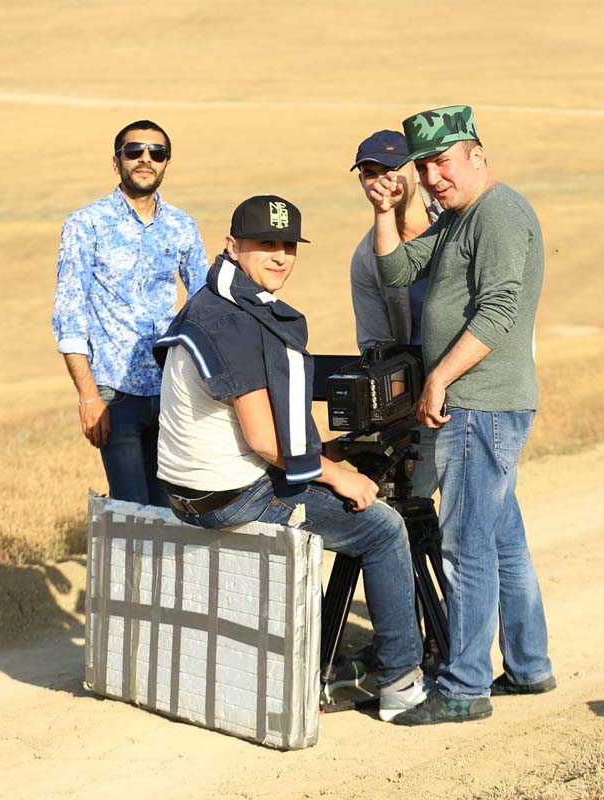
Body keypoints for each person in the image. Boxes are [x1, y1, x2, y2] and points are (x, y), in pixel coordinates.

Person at [152, 195, 426, 721]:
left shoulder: (210, 301)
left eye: (288, 245)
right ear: (232, 245)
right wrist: (337, 474)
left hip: (188, 491)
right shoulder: (234, 321)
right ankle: (401, 684)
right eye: (265, 244)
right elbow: (262, 440)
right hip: (232, 497)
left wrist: (324, 455)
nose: (279, 256)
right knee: (383, 528)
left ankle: (323, 656)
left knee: (330, 482)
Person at [369, 105, 555, 725]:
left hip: (480, 404)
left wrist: (440, 379)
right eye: (423, 167)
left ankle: (463, 687)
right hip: (487, 403)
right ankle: (529, 665)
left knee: (466, 546)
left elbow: (499, 311)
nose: (432, 178)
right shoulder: (456, 219)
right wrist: (386, 210)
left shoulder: (498, 213)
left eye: (442, 163)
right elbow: (396, 269)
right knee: (502, 538)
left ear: (478, 154)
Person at [52, 120, 207, 506]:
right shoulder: (86, 223)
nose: (145, 159)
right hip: (114, 393)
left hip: (172, 388)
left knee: (172, 508)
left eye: (157, 153)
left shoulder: (181, 225)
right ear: (116, 161)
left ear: (166, 162)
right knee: (131, 508)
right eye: (134, 151)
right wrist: (89, 396)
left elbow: (205, 302)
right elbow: (69, 311)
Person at [349, 129, 442, 499]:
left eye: (392, 169)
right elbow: (375, 345)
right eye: (370, 174)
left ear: (416, 170)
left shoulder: (456, 225)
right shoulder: (366, 258)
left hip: (472, 390)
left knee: (476, 512)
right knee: (409, 506)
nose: (382, 181)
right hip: (417, 402)